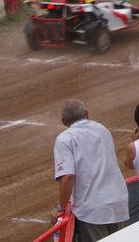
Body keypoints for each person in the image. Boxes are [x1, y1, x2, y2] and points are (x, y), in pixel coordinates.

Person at [51, 100, 129, 240]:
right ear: (87, 114)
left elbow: (67, 176)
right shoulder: (102, 129)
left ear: (63, 121)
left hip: (93, 211)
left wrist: (61, 208)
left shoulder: (65, 139)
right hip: (118, 202)